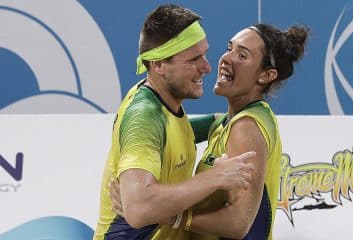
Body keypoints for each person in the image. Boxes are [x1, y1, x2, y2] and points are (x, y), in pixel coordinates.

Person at [110, 23, 309, 239]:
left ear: (266, 75)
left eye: (242, 55)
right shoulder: (229, 121)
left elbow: (239, 223)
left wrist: (162, 214)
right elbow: (173, 133)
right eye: (229, 48)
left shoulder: (245, 128)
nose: (226, 58)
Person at [93, 4, 256, 240]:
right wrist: (215, 178)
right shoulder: (144, 117)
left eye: (205, 54)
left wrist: (220, 122)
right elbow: (138, 209)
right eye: (194, 59)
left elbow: (173, 135)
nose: (207, 67)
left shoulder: (161, 104)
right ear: (158, 65)